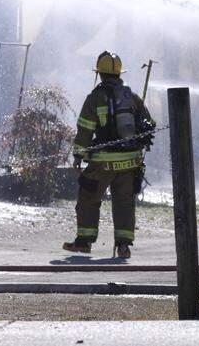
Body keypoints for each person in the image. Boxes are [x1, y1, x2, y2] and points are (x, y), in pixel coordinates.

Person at [63, 51, 155, 259]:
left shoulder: (94, 98)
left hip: (103, 163)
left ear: (100, 74)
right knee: (124, 202)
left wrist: (78, 155)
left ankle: (84, 242)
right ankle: (124, 247)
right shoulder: (131, 97)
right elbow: (150, 125)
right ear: (118, 74)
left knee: (88, 198)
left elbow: (85, 129)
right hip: (130, 161)